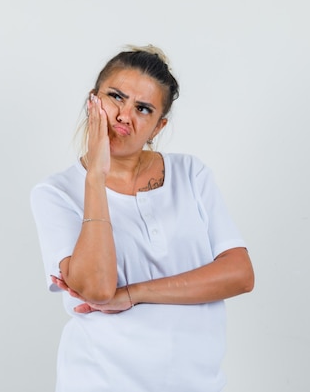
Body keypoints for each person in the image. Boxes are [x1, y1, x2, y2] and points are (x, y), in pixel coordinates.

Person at [30, 44, 254, 392]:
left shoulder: (190, 175)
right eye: (115, 97)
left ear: (158, 126)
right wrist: (96, 178)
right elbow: (98, 288)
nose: (123, 116)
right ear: (93, 101)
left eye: (143, 108)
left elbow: (239, 274)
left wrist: (134, 293)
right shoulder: (56, 192)